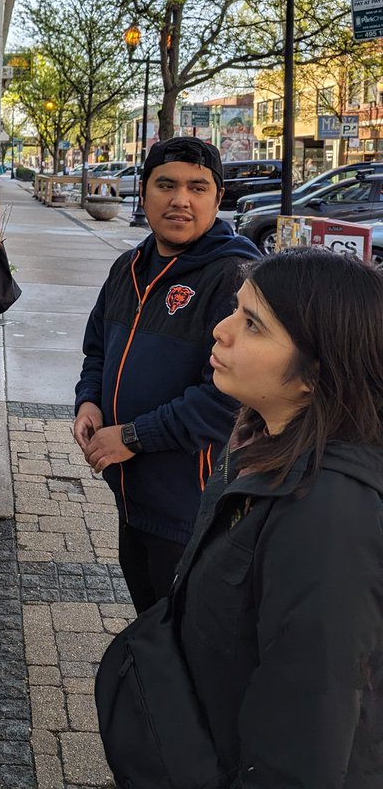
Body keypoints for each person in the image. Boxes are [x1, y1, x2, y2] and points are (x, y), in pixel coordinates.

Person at [168, 246, 383, 786]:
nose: (221, 331)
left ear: (315, 371)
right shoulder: (262, 439)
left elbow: (308, 732)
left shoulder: (327, 508)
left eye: (253, 324)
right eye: (235, 310)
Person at [72, 137, 259, 613]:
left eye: (198, 187)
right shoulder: (128, 267)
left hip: (189, 506)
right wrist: (89, 400)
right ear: (143, 191)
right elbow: (97, 349)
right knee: (149, 624)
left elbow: (228, 399)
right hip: (131, 492)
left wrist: (133, 436)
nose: (181, 199)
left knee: (181, 634)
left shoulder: (235, 276)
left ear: (218, 198)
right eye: (167, 185)